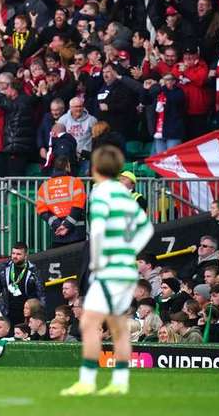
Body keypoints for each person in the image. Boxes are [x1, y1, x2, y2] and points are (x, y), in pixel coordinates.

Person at [61, 145, 153, 396]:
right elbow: (146, 229)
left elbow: (98, 231)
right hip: (125, 268)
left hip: (108, 268)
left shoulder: (101, 193)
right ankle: (120, 382)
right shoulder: (125, 195)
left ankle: (88, 380)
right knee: (117, 324)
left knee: (89, 322)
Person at [36, 155, 87, 246]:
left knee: (58, 259)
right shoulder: (76, 182)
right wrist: (66, 225)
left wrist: (58, 225)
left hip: (57, 233)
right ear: (67, 166)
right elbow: (78, 207)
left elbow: (42, 211)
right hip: (77, 231)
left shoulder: (44, 186)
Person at [0, 242, 46, 326]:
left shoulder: (34, 271)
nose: (15, 256)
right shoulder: (4, 268)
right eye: (13, 253)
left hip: (26, 313)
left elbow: (41, 294)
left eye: (18, 254)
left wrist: (39, 315)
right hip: (7, 312)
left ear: (25, 255)